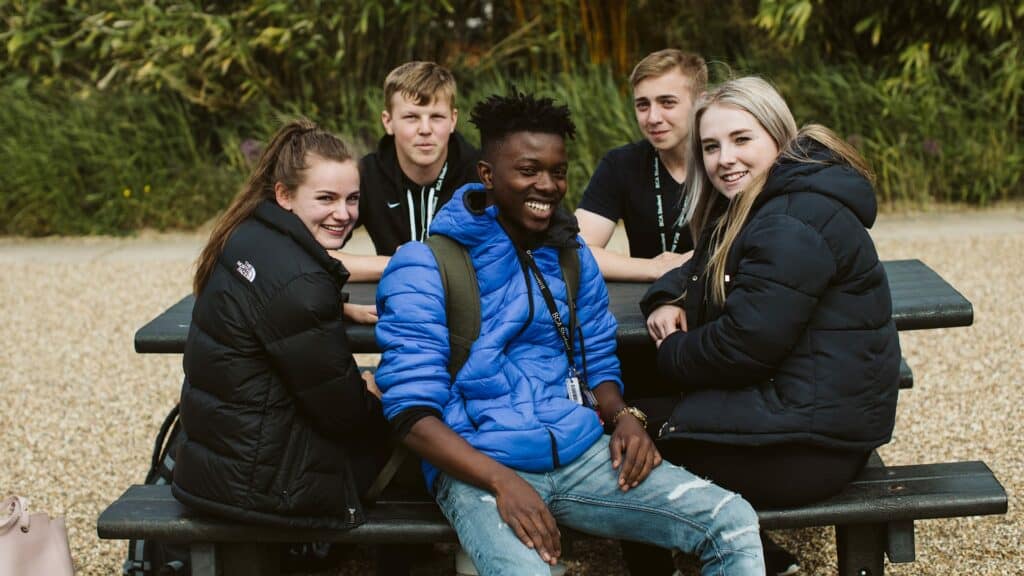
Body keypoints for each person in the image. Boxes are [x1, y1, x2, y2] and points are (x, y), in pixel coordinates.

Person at [374, 91, 764, 576]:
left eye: (557, 172)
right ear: (487, 175)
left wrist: (623, 416)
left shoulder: (572, 256)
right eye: (528, 170)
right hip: (477, 466)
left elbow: (596, 360)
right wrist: (501, 483)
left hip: (579, 451)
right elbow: (411, 413)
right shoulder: (425, 264)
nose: (547, 185)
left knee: (732, 521)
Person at [636, 76, 902, 575]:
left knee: (626, 438)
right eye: (711, 147)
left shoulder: (791, 219)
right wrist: (665, 297)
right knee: (634, 413)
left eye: (742, 139)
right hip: (813, 417)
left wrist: (670, 350)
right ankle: (723, 549)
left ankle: (672, 561)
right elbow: (697, 266)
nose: (724, 159)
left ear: (778, 137)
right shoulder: (764, 205)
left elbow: (740, 349)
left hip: (809, 447)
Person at [172, 119, 388, 540]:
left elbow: (274, 304)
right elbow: (345, 416)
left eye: (352, 199)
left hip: (218, 463)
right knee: (415, 422)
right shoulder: (301, 287)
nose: (343, 214)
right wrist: (372, 394)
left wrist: (335, 307)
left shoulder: (249, 231)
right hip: (262, 488)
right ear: (285, 195)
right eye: (326, 198)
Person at [336, 61, 481, 285]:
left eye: (436, 117)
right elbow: (308, 252)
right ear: (388, 122)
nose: (425, 129)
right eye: (411, 117)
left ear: (453, 120)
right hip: (396, 298)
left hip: (470, 299)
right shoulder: (366, 176)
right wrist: (396, 263)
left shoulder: (481, 175)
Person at [575, 49, 707, 281]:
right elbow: (575, 252)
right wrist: (654, 269)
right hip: (645, 303)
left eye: (667, 103)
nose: (653, 118)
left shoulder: (727, 162)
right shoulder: (621, 164)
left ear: (701, 102)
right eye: (643, 105)